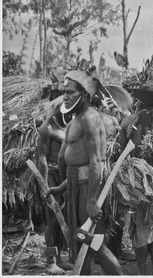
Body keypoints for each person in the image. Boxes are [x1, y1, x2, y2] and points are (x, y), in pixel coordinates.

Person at [48, 70, 122, 275]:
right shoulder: (75, 120)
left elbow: (96, 160)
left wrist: (91, 201)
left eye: (70, 92)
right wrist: (61, 187)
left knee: (93, 244)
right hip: (75, 185)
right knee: (82, 246)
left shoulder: (90, 118)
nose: (65, 96)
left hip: (87, 186)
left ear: (85, 94)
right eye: (64, 92)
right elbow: (69, 157)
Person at [116, 84, 153, 275]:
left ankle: (141, 269)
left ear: (139, 101)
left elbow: (121, 149)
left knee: (140, 223)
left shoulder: (130, 120)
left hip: (138, 178)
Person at [36, 104, 73, 274]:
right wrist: (44, 184)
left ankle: (59, 258)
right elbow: (41, 157)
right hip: (50, 175)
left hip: (65, 176)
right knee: (52, 219)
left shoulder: (70, 124)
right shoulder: (47, 127)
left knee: (62, 219)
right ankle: (50, 261)